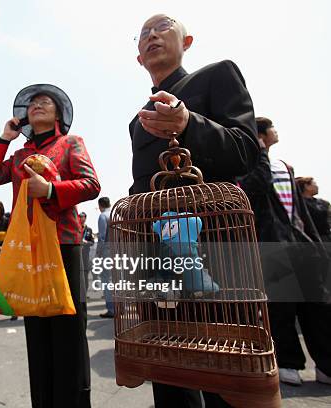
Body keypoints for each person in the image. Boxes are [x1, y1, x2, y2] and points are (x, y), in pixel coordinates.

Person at [129, 14, 259, 407]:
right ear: (139, 57)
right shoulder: (137, 120)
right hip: (159, 256)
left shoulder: (217, 75)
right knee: (168, 366)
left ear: (187, 41)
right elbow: (142, 189)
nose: (152, 35)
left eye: (162, 27)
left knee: (222, 366)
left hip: (216, 251)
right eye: (144, 34)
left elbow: (246, 151)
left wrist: (189, 123)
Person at [0, 84, 100, 407]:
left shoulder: (71, 143)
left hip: (63, 242)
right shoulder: (20, 154)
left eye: (44, 102)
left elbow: (91, 184)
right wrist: (4, 139)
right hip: (29, 247)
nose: (37, 106)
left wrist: (50, 190)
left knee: (68, 327)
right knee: (36, 326)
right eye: (32, 104)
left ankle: (74, 400)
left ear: (58, 114)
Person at [240, 117, 331, 386]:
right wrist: (261, 153)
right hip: (273, 246)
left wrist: (315, 242)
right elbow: (256, 186)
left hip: (302, 245)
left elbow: (299, 211)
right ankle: (289, 362)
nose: (276, 131)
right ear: (261, 134)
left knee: (318, 307)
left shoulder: (284, 167)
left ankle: (325, 364)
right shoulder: (252, 165)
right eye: (272, 128)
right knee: (281, 308)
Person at [297, 177, 331, 242]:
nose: (317, 186)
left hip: (326, 238)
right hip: (308, 240)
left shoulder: (324, 203)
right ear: (306, 186)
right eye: (314, 184)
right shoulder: (298, 203)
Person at [96, 197, 114, 318]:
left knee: (106, 280)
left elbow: (102, 237)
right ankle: (122, 307)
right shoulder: (115, 214)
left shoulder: (103, 216)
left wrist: (98, 253)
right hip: (119, 251)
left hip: (107, 252)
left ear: (100, 205)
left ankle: (111, 309)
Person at [79, 212, 94, 296]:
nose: (82, 219)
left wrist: (86, 242)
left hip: (85, 256)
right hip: (77, 255)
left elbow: (92, 242)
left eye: (83, 217)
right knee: (78, 275)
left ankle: (84, 293)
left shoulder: (89, 230)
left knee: (85, 275)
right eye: (80, 217)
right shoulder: (75, 228)